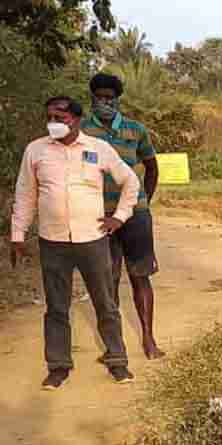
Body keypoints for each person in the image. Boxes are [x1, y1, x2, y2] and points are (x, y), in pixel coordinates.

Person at [11, 97, 141, 389]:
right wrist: (17, 234)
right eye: (50, 117)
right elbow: (25, 195)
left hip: (92, 240)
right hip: (53, 241)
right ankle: (58, 366)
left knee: (105, 304)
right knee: (57, 307)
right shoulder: (36, 150)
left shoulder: (98, 149)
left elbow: (130, 182)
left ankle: (117, 362)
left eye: (61, 117)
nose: (54, 122)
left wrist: (119, 217)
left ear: (77, 120)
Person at [82, 72, 165, 359]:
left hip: (135, 215)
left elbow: (152, 168)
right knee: (109, 279)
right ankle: (114, 347)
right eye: (100, 97)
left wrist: (143, 202)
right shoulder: (81, 131)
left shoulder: (135, 130)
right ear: (92, 99)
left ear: (117, 100)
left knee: (140, 276)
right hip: (98, 217)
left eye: (110, 98)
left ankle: (148, 340)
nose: (105, 102)